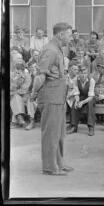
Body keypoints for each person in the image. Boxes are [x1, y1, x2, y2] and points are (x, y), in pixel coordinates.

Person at [30, 22, 74, 176]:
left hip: (59, 96)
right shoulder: (50, 50)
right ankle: (50, 166)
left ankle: (59, 163)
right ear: (61, 35)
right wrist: (33, 94)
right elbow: (40, 76)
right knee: (51, 133)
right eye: (69, 34)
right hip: (51, 96)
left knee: (60, 133)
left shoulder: (57, 49)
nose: (71, 37)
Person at [67, 65, 96, 136]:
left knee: (89, 104)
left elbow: (91, 96)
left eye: (85, 73)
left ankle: (91, 127)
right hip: (81, 96)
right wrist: (77, 100)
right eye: (82, 73)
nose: (84, 75)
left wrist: (82, 102)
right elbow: (76, 92)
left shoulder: (91, 80)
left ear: (87, 73)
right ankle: (74, 126)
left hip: (89, 98)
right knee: (74, 103)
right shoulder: (75, 80)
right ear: (79, 74)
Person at [10, 63, 33, 129]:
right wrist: (14, 82)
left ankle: (17, 120)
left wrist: (14, 91)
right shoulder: (11, 75)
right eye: (15, 72)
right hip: (14, 95)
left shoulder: (27, 76)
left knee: (16, 98)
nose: (16, 74)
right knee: (16, 97)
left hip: (25, 95)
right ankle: (20, 118)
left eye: (19, 73)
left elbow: (24, 90)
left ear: (23, 71)